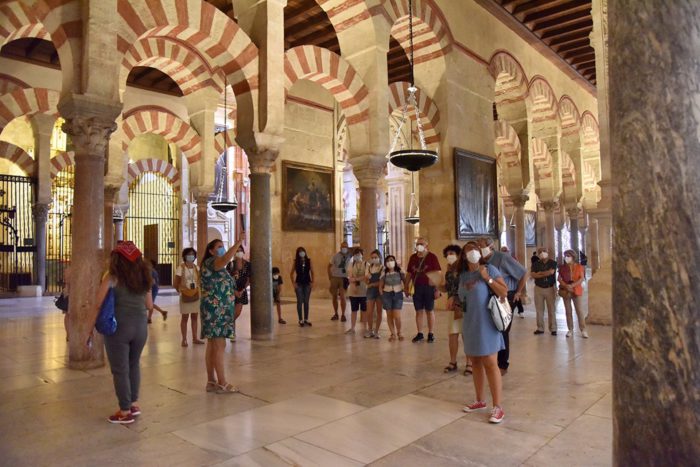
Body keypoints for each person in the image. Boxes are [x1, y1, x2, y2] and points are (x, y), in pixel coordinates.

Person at [90, 241, 153, 424]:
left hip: (119, 328)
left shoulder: (111, 277)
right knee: (134, 364)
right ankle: (133, 403)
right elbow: (149, 305)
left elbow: (97, 305)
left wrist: (88, 330)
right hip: (141, 327)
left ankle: (124, 412)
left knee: (120, 370)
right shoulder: (145, 276)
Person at [459, 241, 509, 424]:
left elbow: (504, 291)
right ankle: (480, 400)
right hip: (470, 322)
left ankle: (498, 407)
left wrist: (487, 278)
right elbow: (462, 299)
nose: (472, 252)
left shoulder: (490, 269)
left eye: (475, 249)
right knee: (476, 362)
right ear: (464, 256)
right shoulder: (463, 276)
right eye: (468, 250)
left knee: (490, 362)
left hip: (487, 323)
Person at [200, 237, 244, 394]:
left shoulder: (217, 265)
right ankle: (222, 383)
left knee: (213, 345)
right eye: (219, 247)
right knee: (219, 345)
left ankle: (211, 381)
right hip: (215, 310)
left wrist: (235, 291)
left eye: (223, 246)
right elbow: (224, 259)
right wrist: (238, 243)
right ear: (211, 251)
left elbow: (224, 283)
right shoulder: (212, 262)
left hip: (220, 309)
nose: (222, 249)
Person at [478, 237, 527, 374]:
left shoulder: (502, 258)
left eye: (481, 246)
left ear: (490, 246)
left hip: (505, 296)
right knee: (490, 329)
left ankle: (502, 364)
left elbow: (523, 273)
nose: (479, 248)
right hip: (489, 297)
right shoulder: (481, 261)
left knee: (502, 329)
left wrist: (518, 292)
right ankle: (490, 359)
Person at [441, 244, 470, 375]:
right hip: (453, 307)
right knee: (452, 334)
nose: (449, 256)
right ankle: (453, 361)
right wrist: (437, 285)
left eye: (452, 253)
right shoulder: (448, 271)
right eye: (447, 254)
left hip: (464, 305)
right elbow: (447, 288)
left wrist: (454, 297)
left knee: (466, 333)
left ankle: (470, 362)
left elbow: (466, 287)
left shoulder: (465, 269)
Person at [405, 237, 441, 343]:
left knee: (429, 311)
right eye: (417, 244)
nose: (418, 246)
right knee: (418, 311)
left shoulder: (432, 257)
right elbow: (409, 273)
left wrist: (437, 289)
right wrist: (406, 286)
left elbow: (437, 273)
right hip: (417, 287)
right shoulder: (413, 258)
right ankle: (420, 333)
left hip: (429, 288)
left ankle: (431, 333)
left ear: (426, 246)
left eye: (421, 244)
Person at [174, 247, 204, 347]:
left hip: (195, 293)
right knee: (185, 317)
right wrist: (181, 291)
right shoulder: (181, 268)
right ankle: (184, 339)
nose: (191, 256)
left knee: (195, 316)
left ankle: (195, 338)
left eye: (192, 254)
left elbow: (199, 280)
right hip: (185, 294)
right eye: (188, 254)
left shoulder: (197, 268)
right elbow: (176, 282)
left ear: (194, 257)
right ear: (185, 256)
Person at [558, 250, 588, 338]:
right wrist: (566, 285)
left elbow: (581, 278)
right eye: (565, 256)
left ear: (573, 257)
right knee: (568, 311)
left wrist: (572, 285)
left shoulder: (579, 267)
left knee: (579, 311)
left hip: (576, 290)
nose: (566, 257)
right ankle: (570, 329)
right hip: (566, 290)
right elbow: (559, 278)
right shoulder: (562, 268)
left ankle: (583, 329)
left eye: (568, 256)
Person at [531, 247, 558, 335]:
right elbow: (533, 275)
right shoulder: (535, 264)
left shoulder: (552, 263)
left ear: (548, 252)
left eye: (544, 251)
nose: (542, 253)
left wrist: (539, 273)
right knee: (539, 309)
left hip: (550, 288)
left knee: (551, 309)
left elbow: (551, 273)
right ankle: (540, 328)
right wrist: (545, 273)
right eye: (540, 252)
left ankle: (553, 328)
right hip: (538, 288)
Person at [227, 245, 251, 341]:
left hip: (242, 291)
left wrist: (242, 289)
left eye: (241, 250)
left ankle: (228, 325)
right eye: (237, 251)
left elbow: (249, 279)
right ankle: (232, 333)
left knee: (237, 312)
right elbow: (228, 279)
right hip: (232, 291)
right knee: (232, 311)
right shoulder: (231, 265)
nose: (239, 252)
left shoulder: (248, 265)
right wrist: (234, 290)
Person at [380, 255, 404, 341]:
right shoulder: (384, 272)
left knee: (397, 315)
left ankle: (399, 332)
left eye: (391, 260)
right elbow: (381, 284)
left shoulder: (399, 271)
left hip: (397, 293)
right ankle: (393, 334)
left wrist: (407, 290)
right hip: (387, 294)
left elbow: (405, 280)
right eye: (388, 261)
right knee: (389, 315)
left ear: (394, 261)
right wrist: (381, 293)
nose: (390, 262)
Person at [345, 247, 368, 335]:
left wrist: (356, 279)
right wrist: (354, 283)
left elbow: (366, 276)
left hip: (363, 291)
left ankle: (365, 328)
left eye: (359, 254)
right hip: (353, 291)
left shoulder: (366, 264)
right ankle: (352, 328)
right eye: (355, 254)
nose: (357, 256)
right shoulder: (351, 264)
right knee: (353, 310)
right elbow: (350, 276)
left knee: (364, 310)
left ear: (362, 255)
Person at [291, 246, 314, 326]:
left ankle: (306, 319)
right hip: (299, 283)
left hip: (307, 283)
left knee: (306, 301)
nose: (302, 253)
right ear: (298, 253)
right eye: (300, 251)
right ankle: (300, 319)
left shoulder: (309, 261)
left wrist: (312, 282)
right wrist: (293, 283)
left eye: (303, 251)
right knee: (300, 301)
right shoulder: (296, 261)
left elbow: (312, 271)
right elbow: (291, 273)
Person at [328, 241, 350, 322]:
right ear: (340, 248)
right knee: (334, 296)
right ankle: (336, 313)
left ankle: (343, 314)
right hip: (335, 277)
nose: (344, 248)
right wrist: (330, 277)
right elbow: (329, 266)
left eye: (345, 247)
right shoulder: (335, 256)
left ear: (347, 248)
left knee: (343, 296)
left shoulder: (350, 256)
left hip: (344, 278)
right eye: (342, 247)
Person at [365, 249, 383, 339]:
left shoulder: (383, 268)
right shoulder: (369, 267)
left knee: (379, 311)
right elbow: (366, 281)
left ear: (379, 257)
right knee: (369, 312)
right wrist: (367, 279)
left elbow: (382, 281)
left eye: (375, 257)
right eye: (372, 258)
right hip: (370, 291)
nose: (374, 259)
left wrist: (372, 284)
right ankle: (370, 330)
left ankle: (377, 331)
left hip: (379, 291)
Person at [147, 260, 168, 324]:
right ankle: (162, 312)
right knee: (150, 304)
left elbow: (153, 282)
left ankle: (150, 318)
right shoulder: (152, 271)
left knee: (150, 304)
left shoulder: (152, 272)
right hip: (153, 289)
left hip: (153, 289)